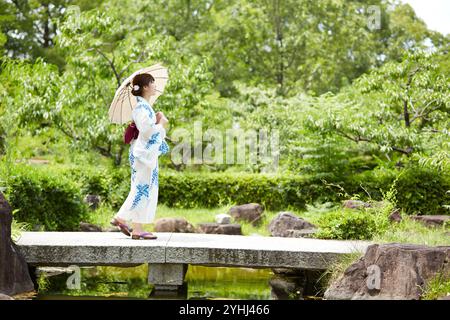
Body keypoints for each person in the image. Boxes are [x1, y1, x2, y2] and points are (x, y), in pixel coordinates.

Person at [110, 73, 169, 240]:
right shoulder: (141, 108)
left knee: (143, 188)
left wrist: (156, 120)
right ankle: (121, 217)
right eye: (152, 82)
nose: (154, 85)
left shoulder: (143, 107)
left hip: (143, 154)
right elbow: (147, 130)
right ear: (145, 87)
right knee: (141, 188)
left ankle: (137, 228)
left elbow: (147, 128)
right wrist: (161, 124)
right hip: (143, 155)